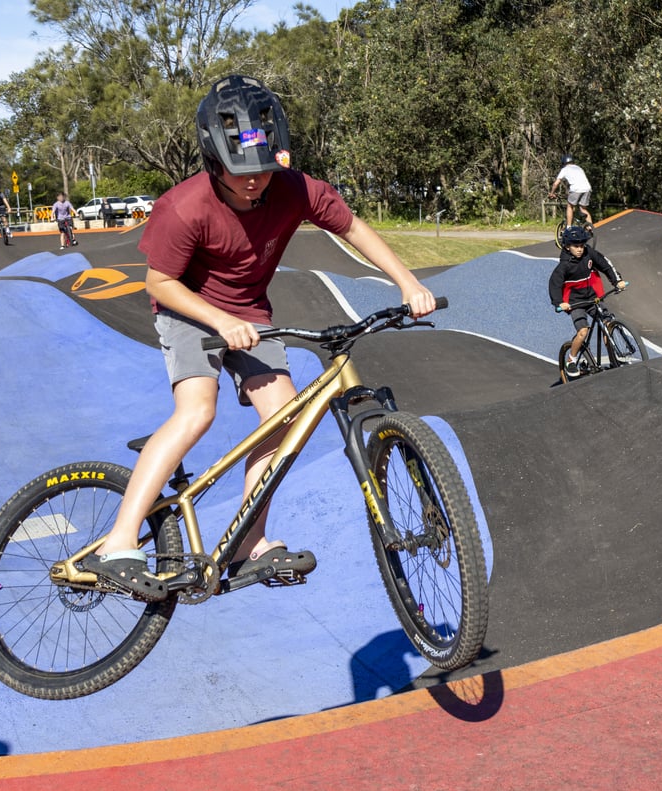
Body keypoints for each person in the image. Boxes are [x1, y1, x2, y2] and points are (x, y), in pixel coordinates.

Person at [82, 74, 436, 600]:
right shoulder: (185, 207)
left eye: (262, 171)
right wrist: (219, 321)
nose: (253, 182)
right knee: (197, 411)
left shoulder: (294, 189)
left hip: (250, 311)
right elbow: (159, 283)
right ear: (213, 160)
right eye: (238, 173)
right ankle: (118, 542)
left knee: (286, 417)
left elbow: (353, 228)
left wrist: (406, 281)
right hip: (187, 310)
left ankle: (249, 542)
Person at [548, 225, 627, 377]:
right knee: (583, 331)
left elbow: (604, 263)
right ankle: (571, 359)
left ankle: (614, 359)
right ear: (567, 246)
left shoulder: (588, 253)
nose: (580, 249)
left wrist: (617, 281)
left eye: (582, 245)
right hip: (575, 302)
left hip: (592, 298)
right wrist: (559, 303)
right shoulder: (564, 265)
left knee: (607, 324)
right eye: (576, 246)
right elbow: (554, 284)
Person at [548, 153, 594, 230]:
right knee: (583, 209)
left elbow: (556, 183)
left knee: (570, 206)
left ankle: (568, 228)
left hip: (576, 189)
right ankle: (590, 227)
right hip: (587, 188)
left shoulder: (564, 169)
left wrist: (552, 193)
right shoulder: (579, 168)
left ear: (563, 163)